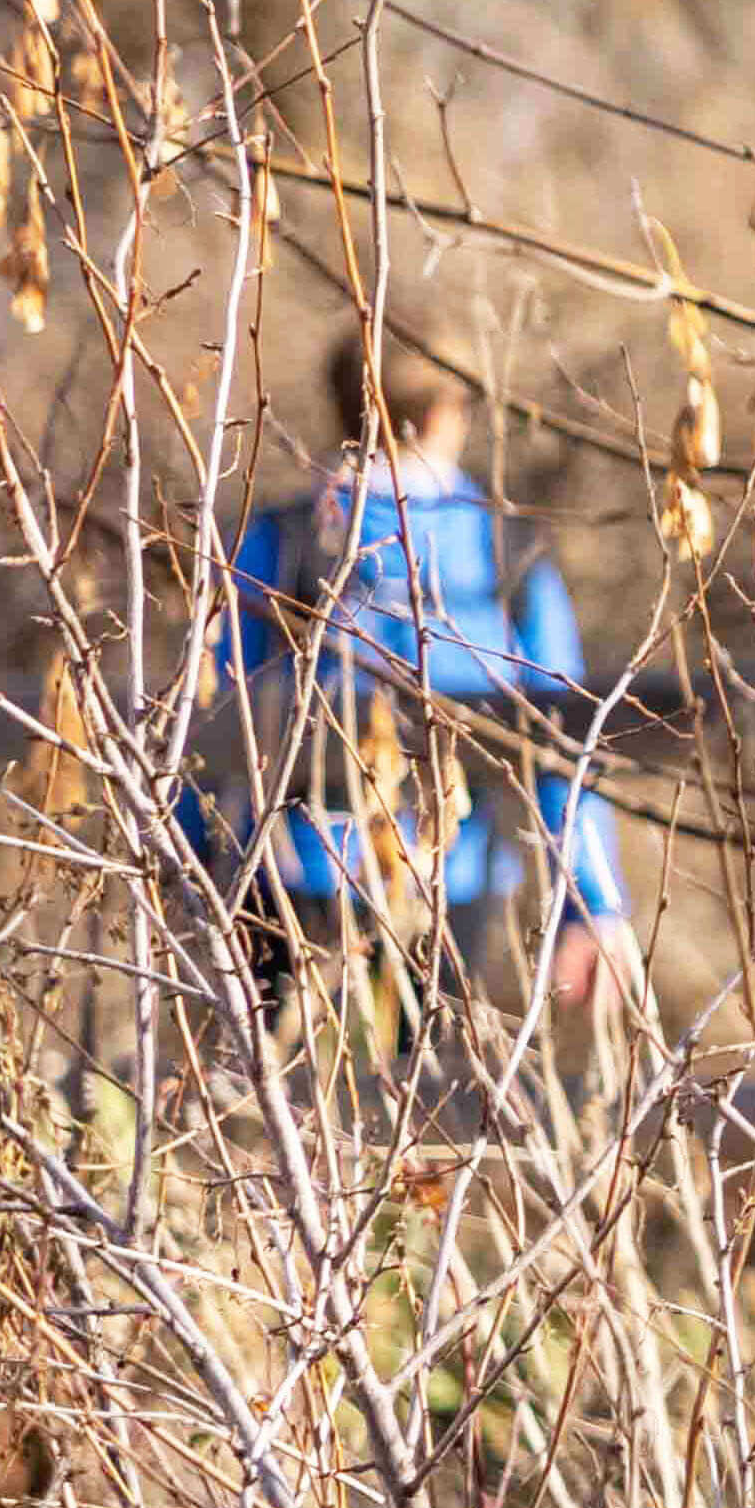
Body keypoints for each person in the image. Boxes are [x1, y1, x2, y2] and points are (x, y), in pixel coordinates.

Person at [197, 326, 632, 1013]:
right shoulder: (504, 547)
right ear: (443, 415)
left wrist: (183, 869)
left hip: (284, 877)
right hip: (448, 881)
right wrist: (590, 903)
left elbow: (211, 719)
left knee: (270, 1098)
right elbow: (563, 736)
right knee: (425, 1099)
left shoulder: (276, 541)